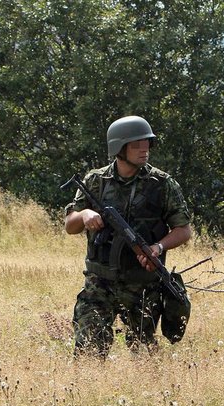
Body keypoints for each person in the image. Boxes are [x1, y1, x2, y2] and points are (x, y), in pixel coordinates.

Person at [64, 115, 192, 357]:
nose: (144, 149)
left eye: (147, 143)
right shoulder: (96, 181)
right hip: (99, 284)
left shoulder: (162, 184)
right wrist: (85, 215)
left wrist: (158, 247)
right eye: (136, 144)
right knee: (89, 351)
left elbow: (183, 230)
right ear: (119, 148)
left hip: (143, 285)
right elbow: (70, 224)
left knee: (143, 354)